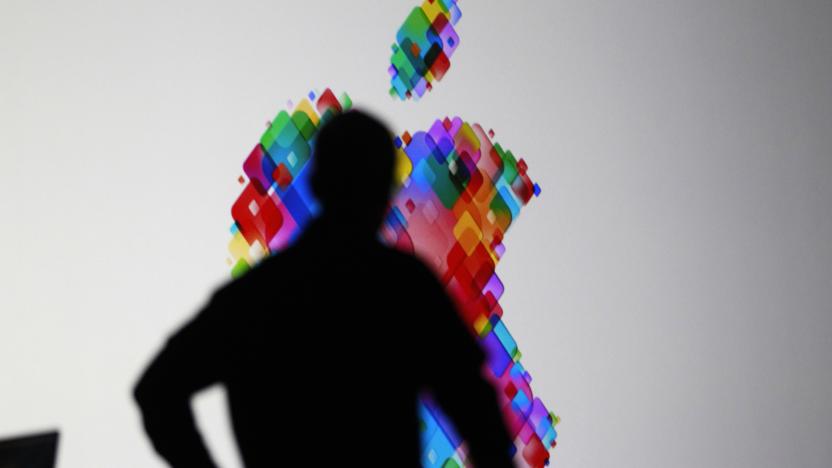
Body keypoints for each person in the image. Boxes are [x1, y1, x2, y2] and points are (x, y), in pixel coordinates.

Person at [133, 110, 515, 467]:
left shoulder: (257, 296)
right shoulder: (403, 289)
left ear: (317, 183)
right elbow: (478, 415)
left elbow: (158, 390)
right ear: (384, 192)